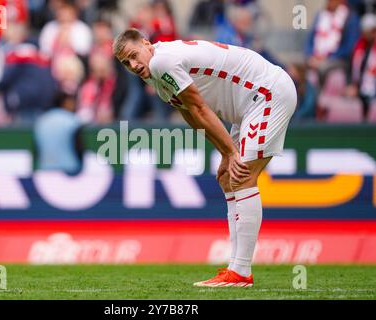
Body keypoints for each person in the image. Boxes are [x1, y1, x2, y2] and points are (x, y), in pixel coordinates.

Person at [113, 29, 297, 287]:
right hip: (247, 105)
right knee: (227, 177)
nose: (133, 65)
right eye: (125, 63)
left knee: (242, 175)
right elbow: (189, 112)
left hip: (266, 93)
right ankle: (236, 268)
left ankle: (241, 272)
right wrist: (225, 153)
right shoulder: (152, 70)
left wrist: (231, 153)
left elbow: (199, 106)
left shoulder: (161, 61)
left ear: (146, 44)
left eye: (133, 56)